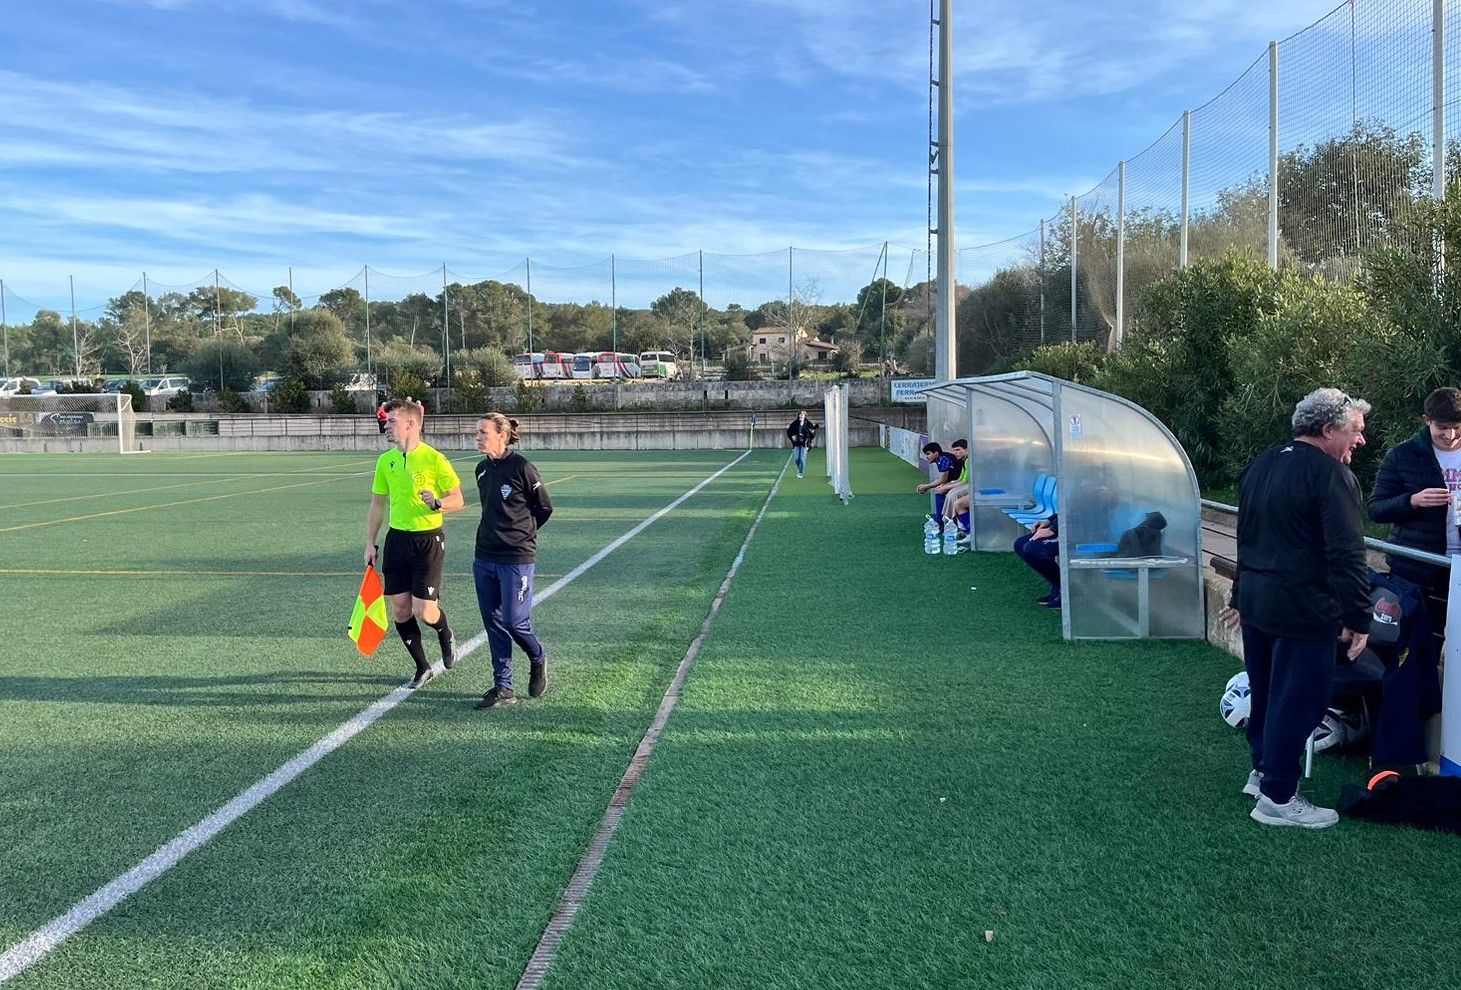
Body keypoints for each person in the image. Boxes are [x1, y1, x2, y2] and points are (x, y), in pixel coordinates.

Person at [1222, 387, 1372, 830]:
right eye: (1355, 432)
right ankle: (1279, 798)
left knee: (1267, 693)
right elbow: (1347, 553)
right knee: (1298, 701)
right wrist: (1359, 617)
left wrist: (1237, 594)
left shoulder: (1262, 464)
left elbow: (1245, 537)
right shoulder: (1330, 476)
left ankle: (1264, 773)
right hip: (1303, 607)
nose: (1360, 441)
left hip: (1259, 602)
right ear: (1328, 430)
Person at [364, 398, 464, 689]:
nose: (386, 425)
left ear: (410, 424)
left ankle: (444, 632)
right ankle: (422, 667)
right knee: (401, 610)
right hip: (397, 540)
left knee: (425, 612)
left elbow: (458, 499)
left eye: (392, 421)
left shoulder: (434, 459)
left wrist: (438, 504)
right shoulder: (386, 461)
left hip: (427, 541)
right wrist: (370, 543)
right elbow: (377, 503)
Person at [472, 413, 554, 710]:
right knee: (493, 622)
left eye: (483, 432)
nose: (477, 437)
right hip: (484, 557)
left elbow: (544, 508)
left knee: (514, 621)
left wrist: (522, 536)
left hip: (516, 559)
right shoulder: (481, 470)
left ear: (502, 435)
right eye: (477, 432)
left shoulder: (523, 468)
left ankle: (537, 657)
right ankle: (504, 686)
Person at [1369, 386, 1461, 629]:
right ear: (1427, 420)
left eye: (1457, 427)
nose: (1450, 435)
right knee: (1412, 643)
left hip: (1458, 570)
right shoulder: (1401, 456)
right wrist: (1412, 501)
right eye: (1442, 427)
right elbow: (1376, 509)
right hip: (1416, 569)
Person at [1014, 513, 1060, 607]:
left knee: (1033, 549)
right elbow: (1069, 506)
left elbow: (1083, 509)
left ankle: (1066, 590)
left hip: (1081, 531)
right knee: (1020, 544)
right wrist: (1049, 521)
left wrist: (1053, 529)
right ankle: (1059, 586)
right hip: (1066, 526)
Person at [915, 440, 963, 530]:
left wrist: (926, 486)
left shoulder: (943, 459)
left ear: (936, 453)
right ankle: (942, 519)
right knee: (940, 488)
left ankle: (939, 522)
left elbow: (943, 480)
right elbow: (943, 479)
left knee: (939, 491)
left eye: (928, 454)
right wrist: (928, 486)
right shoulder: (941, 458)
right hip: (956, 481)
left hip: (958, 482)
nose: (927, 457)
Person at [786, 411, 819, 479]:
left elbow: (812, 435)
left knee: (801, 459)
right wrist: (792, 436)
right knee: (796, 459)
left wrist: (812, 433)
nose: (801, 416)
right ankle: (799, 469)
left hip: (805, 444)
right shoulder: (795, 423)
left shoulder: (808, 424)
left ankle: (800, 473)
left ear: (805, 416)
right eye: (800, 415)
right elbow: (789, 431)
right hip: (796, 443)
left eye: (802, 415)